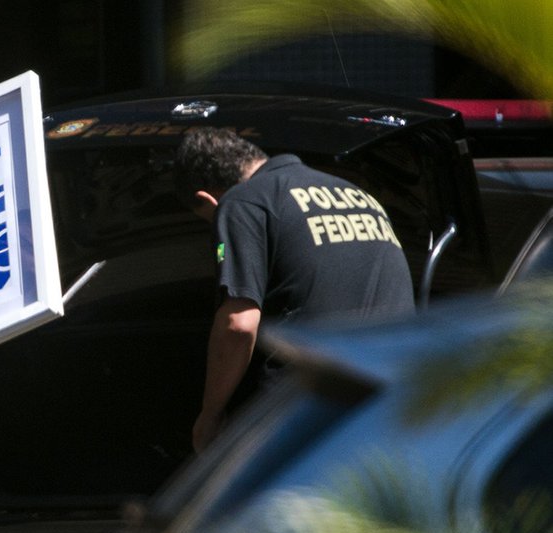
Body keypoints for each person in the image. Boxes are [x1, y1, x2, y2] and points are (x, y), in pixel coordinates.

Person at [175, 127, 415, 452]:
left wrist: (210, 414)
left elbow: (239, 325)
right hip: (396, 399)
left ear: (207, 198)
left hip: (312, 411)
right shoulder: (358, 194)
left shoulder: (242, 201)